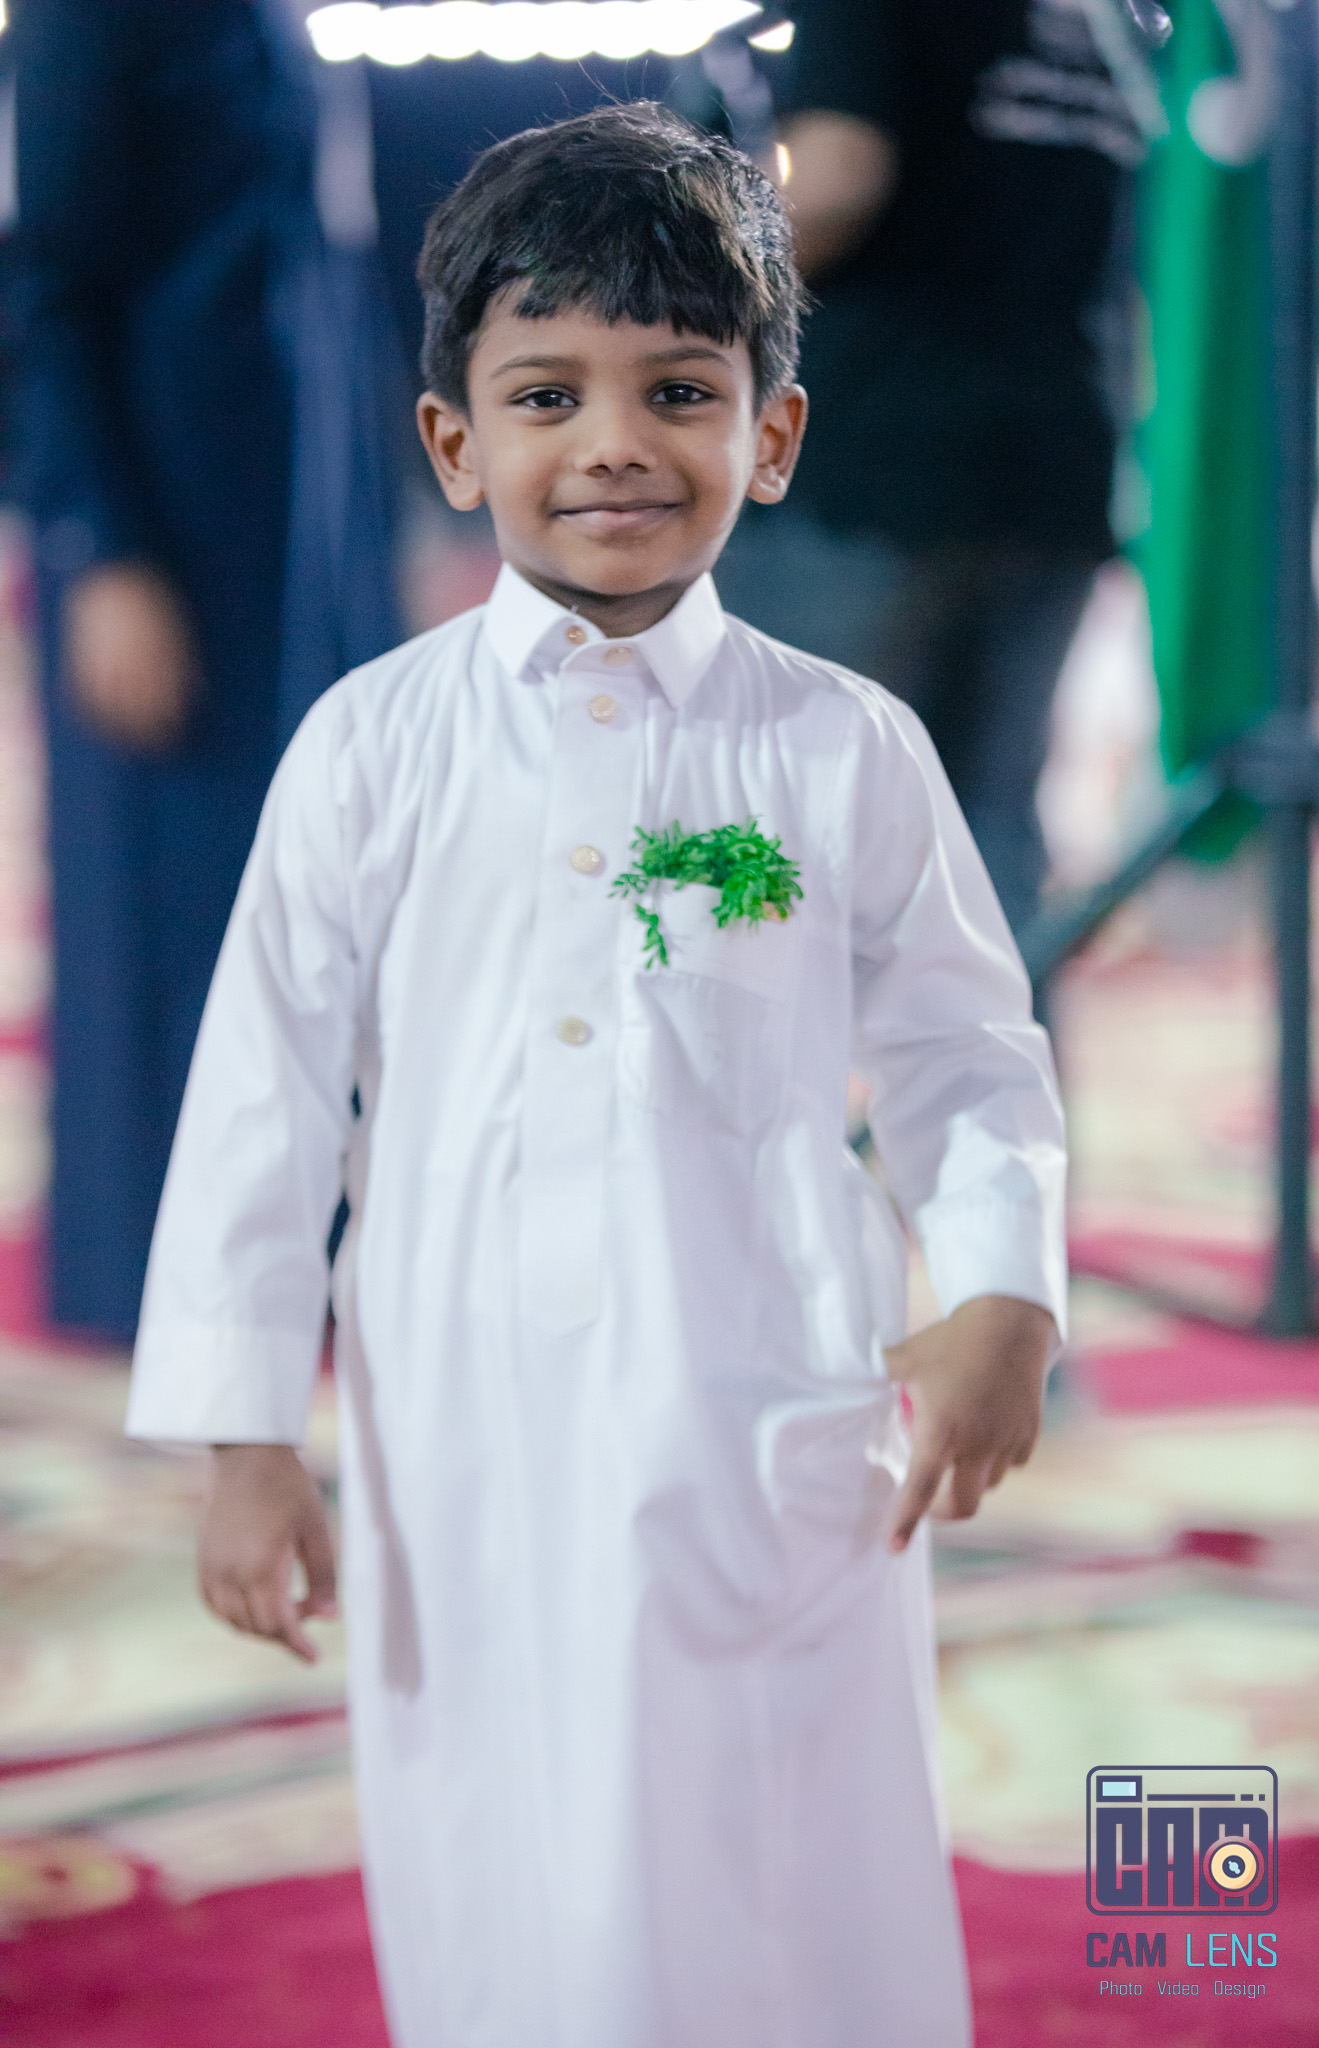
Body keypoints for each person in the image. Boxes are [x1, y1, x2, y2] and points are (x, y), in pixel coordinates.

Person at [126, 106, 1066, 2048]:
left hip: (765, 1394)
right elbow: (263, 1094)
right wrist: (243, 1438)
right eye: (546, 395)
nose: (614, 443)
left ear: (772, 435)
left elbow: (966, 1049)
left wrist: (1003, 1292)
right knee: (499, 1832)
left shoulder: (841, 746)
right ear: (453, 441)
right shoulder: (370, 746)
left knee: (786, 1839)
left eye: (680, 392)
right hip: (457, 1406)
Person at [13, 0, 399, 1337]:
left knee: (306, 902)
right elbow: (42, 287)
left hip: (292, 531)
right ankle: (170, 1299)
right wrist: (101, 552)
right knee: (179, 919)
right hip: (169, 544)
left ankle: (292, 1260)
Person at [716, 0, 1153, 937]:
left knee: (788, 825)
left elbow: (836, 180)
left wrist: (665, 283)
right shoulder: (1098, 17)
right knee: (986, 836)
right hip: (1052, 455)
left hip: (875, 456)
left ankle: (776, 1046)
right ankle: (997, 1038)